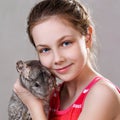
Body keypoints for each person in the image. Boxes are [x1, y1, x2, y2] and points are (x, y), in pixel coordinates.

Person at [13, 0, 120, 120]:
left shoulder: (102, 94)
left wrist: (34, 106)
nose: (57, 59)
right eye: (45, 50)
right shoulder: (52, 95)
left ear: (87, 37)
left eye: (66, 43)